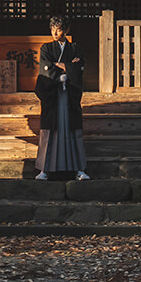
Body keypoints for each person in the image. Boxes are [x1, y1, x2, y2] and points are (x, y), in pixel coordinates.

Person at [34, 16, 91, 181]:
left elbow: (79, 66)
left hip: (70, 94)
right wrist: (65, 69)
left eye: (59, 29)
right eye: (52, 29)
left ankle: (79, 169)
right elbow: (46, 68)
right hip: (52, 94)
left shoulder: (75, 48)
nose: (55, 33)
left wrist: (65, 67)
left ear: (66, 30)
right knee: (50, 131)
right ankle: (44, 169)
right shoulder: (46, 48)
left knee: (72, 130)